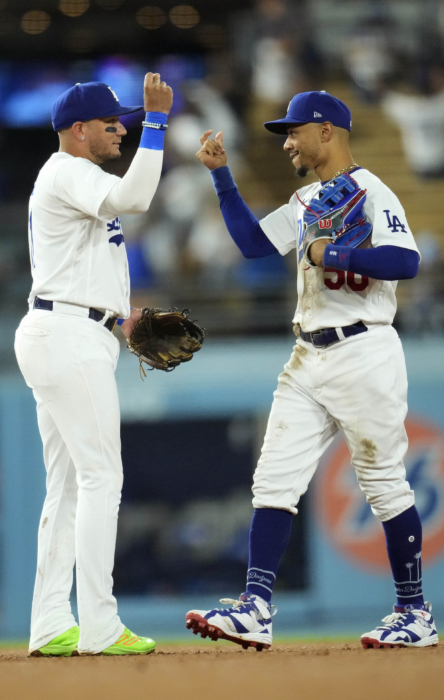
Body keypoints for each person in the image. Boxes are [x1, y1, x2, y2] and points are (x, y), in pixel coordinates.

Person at [186, 91, 436, 650]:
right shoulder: (306, 201)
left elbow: (406, 260)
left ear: (327, 130)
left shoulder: (373, 189)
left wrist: (335, 256)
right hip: (306, 354)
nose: (288, 142)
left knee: (384, 483)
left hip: (364, 348)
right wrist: (223, 178)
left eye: (294, 132)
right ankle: (255, 607)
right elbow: (253, 244)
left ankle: (415, 613)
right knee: (273, 478)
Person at [14, 74, 172, 656]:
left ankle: (52, 620)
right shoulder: (68, 170)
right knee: (101, 478)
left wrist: (120, 319)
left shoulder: (74, 178)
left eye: (129, 122)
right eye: (114, 123)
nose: (123, 128)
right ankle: (100, 625)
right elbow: (136, 198)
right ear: (78, 131)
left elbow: (82, 267)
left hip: (72, 329)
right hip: (67, 335)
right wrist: (157, 121)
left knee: (68, 487)